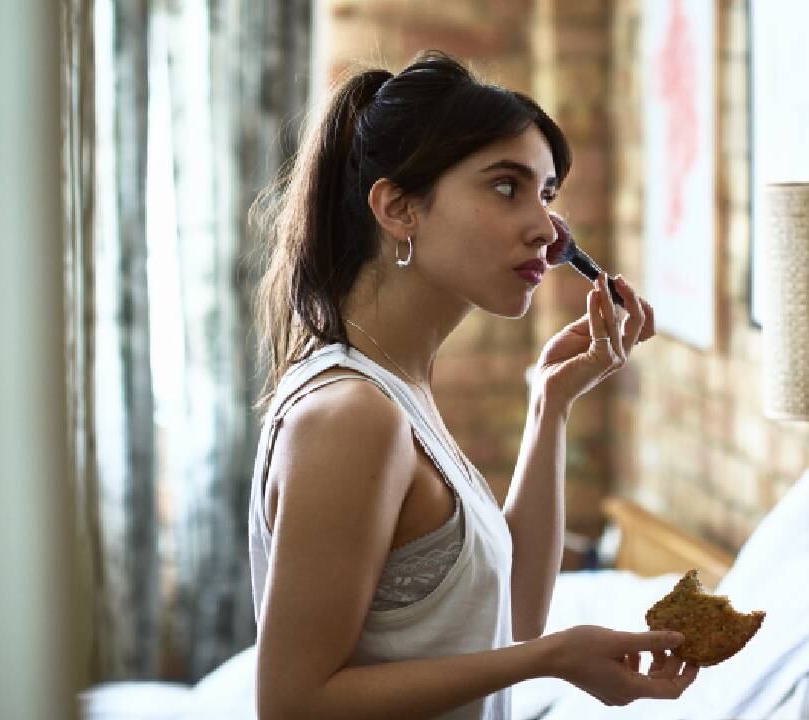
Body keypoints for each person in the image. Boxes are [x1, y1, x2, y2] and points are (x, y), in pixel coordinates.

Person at [247, 51, 696, 720]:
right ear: (398, 208)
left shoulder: (398, 391)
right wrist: (549, 660)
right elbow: (293, 705)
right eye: (506, 187)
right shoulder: (352, 416)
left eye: (546, 195)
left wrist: (552, 403)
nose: (547, 230)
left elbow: (511, 616)